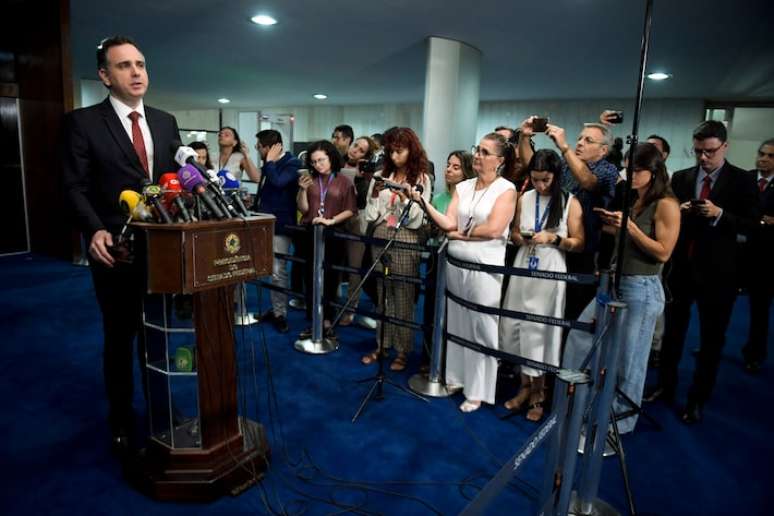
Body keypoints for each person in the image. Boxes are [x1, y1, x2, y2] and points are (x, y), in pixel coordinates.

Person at [61, 36, 181, 456]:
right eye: (125, 65)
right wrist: (93, 229)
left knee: (160, 335)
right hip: (115, 249)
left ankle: (161, 409)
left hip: (163, 250)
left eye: (141, 64)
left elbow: (173, 186)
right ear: (105, 76)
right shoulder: (83, 122)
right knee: (120, 337)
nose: (136, 72)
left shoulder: (166, 122)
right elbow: (73, 186)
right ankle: (121, 417)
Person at [645, 121, 759, 424]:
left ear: (724, 146)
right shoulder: (681, 177)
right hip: (681, 268)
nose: (703, 157)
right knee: (673, 335)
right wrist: (677, 212)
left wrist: (720, 214)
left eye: (709, 151)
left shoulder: (742, 181)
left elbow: (753, 225)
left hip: (721, 273)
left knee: (711, 340)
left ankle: (698, 398)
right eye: (698, 151)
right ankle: (665, 387)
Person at [564, 143, 680, 434]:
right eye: (628, 168)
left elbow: (664, 252)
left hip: (642, 287)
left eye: (635, 170)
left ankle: (618, 425)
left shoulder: (666, 203)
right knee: (581, 335)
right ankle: (584, 401)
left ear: (652, 172)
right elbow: (629, 237)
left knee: (630, 361)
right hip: (617, 280)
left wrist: (629, 228)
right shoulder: (634, 199)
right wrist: (614, 225)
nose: (629, 175)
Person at [413, 133, 517, 412]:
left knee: (482, 327)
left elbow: (495, 229)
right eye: (477, 150)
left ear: (500, 160)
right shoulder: (464, 187)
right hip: (455, 264)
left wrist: (463, 233)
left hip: (485, 269)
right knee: (457, 322)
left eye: (485, 152)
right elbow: (448, 222)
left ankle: (479, 390)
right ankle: (457, 378)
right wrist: (424, 203)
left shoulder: (507, 189)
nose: (478, 156)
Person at [500, 149, 584, 421]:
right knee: (517, 326)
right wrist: (520, 238)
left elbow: (580, 243)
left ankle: (540, 393)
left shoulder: (570, 201)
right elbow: (513, 233)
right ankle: (524, 387)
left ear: (556, 176)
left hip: (550, 267)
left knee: (541, 330)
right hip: (525, 264)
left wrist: (555, 239)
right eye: (535, 179)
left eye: (545, 180)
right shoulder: (525, 197)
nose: (540, 185)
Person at [519, 117, 619, 321]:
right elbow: (533, 165)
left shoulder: (608, 170)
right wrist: (524, 137)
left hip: (584, 253)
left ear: (603, 150)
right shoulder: (566, 165)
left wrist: (564, 147)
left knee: (573, 312)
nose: (580, 143)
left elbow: (588, 182)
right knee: (545, 309)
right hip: (554, 248)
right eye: (580, 138)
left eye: (589, 140)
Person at [361, 127, 432, 372]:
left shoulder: (422, 178)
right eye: (390, 151)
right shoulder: (381, 174)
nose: (393, 156)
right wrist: (374, 195)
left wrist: (404, 199)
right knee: (382, 294)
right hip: (382, 233)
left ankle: (403, 350)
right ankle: (382, 344)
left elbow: (416, 220)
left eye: (399, 151)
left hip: (406, 237)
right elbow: (371, 216)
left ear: (411, 151)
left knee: (403, 295)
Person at [296, 140, 357, 338]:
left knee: (331, 279)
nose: (318, 165)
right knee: (310, 278)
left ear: (331, 157)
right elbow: (304, 209)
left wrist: (331, 221)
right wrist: (302, 190)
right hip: (311, 234)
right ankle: (314, 319)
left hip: (334, 234)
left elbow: (350, 210)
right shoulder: (309, 180)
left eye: (321, 160)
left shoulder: (344, 181)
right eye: (313, 162)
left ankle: (328, 320)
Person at [255, 129, 302, 333]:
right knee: (267, 269)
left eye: (259, 147)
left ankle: (280, 313)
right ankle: (274, 310)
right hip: (263, 223)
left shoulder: (292, 163)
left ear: (270, 147)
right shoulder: (270, 164)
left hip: (281, 224)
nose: (258, 150)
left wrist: (270, 162)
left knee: (278, 271)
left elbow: (279, 182)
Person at [741, 138, 774, 372]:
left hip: (766, 257)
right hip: (738, 252)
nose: (764, 158)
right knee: (717, 304)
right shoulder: (745, 179)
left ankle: (754, 354)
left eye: (771, 156)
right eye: (762, 153)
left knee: (760, 309)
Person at [339, 136, 378, 328]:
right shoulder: (337, 162)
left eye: (361, 150)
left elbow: (365, 199)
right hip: (336, 218)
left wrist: (362, 177)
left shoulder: (367, 174)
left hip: (357, 218)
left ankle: (350, 309)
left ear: (367, 156)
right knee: (334, 263)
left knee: (354, 268)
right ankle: (331, 304)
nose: (355, 150)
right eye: (355, 145)